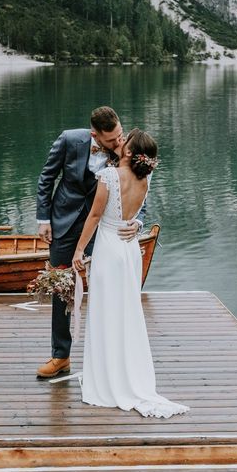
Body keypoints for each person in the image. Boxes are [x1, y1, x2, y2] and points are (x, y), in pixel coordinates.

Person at [72, 129, 188, 418]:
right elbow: (135, 214)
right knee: (126, 312)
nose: (120, 141)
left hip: (110, 249)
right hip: (130, 250)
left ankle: (108, 380)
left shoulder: (110, 177)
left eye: (124, 141)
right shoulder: (145, 178)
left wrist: (79, 250)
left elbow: (96, 216)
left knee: (105, 312)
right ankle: (127, 375)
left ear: (128, 151)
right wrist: (136, 224)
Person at [35, 106, 143, 379]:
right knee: (61, 287)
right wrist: (43, 219)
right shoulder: (69, 139)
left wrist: (138, 222)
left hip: (105, 229)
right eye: (111, 140)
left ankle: (110, 359)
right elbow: (47, 178)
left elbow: (139, 183)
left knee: (108, 288)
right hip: (64, 222)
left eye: (120, 135)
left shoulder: (127, 147)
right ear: (94, 134)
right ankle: (61, 356)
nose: (118, 142)